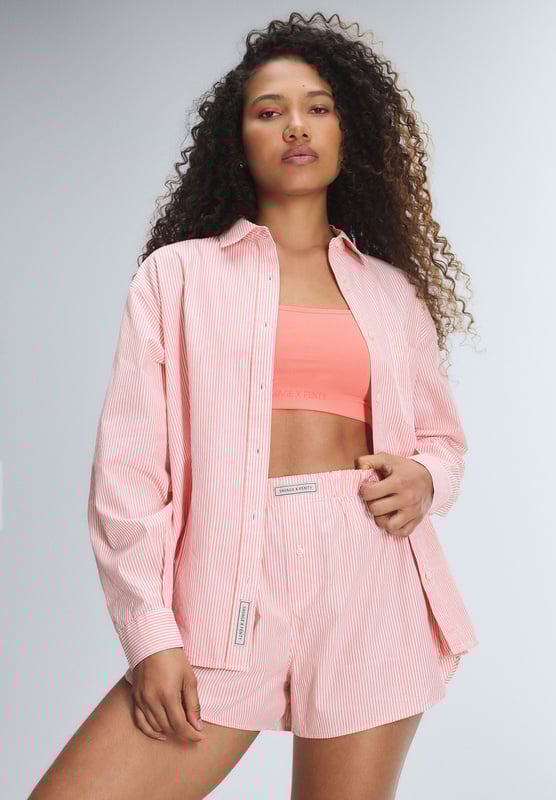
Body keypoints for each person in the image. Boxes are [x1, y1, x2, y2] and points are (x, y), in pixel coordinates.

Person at [29, 12, 479, 800]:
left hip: (372, 576)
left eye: (318, 107)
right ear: (237, 140)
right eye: (269, 111)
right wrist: (150, 634)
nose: (295, 126)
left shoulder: (392, 292)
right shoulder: (179, 277)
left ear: (347, 132)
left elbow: (442, 442)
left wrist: (425, 480)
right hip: (225, 586)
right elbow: (129, 473)